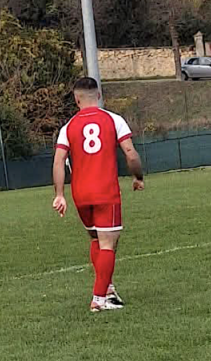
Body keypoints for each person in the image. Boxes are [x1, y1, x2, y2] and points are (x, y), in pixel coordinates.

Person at [52, 77, 144, 313]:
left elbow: (59, 160)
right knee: (108, 244)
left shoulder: (69, 126)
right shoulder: (114, 120)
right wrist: (137, 177)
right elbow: (131, 153)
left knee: (97, 239)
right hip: (105, 191)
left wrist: (59, 194)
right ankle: (99, 298)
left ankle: (108, 289)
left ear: (76, 99)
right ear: (100, 95)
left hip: (80, 193)